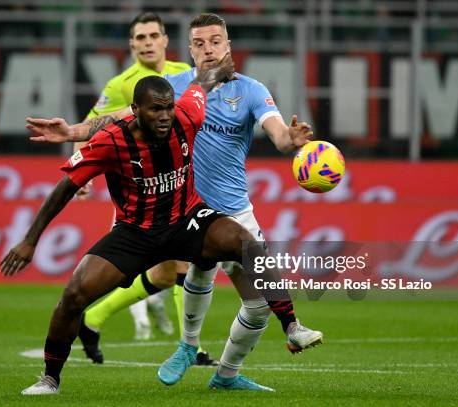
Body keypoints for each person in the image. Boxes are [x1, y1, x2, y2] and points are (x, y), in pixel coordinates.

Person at [27, 13, 323, 392]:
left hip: (232, 210)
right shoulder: (175, 87)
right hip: (184, 210)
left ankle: (226, 373)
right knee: (192, 274)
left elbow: (278, 134)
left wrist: (291, 141)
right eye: (199, 43)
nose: (208, 49)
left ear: (228, 44)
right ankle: (188, 346)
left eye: (216, 41)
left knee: (257, 303)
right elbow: (119, 116)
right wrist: (74, 131)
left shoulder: (251, 90)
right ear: (189, 49)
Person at [69, 11, 217, 364]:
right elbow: (88, 127)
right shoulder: (122, 84)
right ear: (131, 44)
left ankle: (93, 318)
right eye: (140, 37)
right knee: (186, 263)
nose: (148, 42)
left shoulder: (186, 73)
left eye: (154, 36)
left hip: (183, 180)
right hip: (145, 191)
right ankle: (191, 347)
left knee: (167, 274)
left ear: (165, 40)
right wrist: (82, 172)